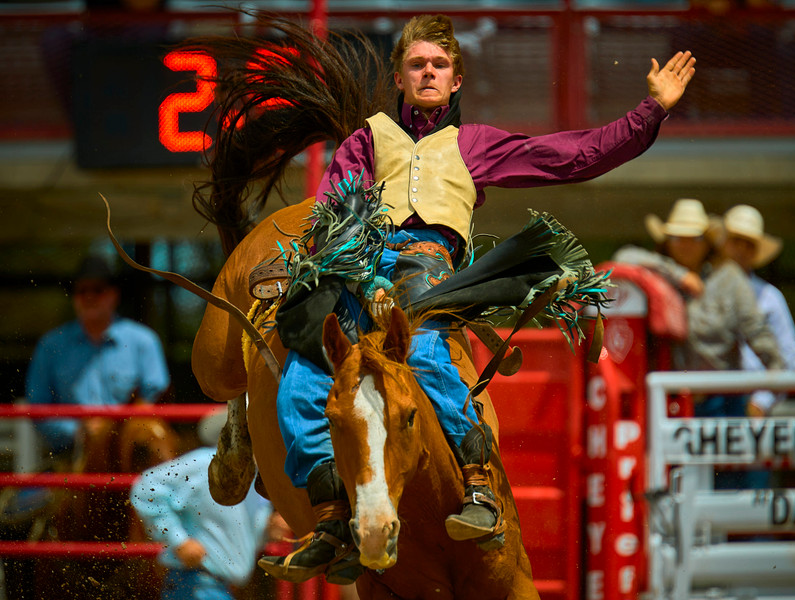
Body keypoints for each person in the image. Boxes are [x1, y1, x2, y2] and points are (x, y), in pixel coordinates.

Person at [186, 13, 696, 583]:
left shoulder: (474, 145)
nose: (428, 73)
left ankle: (476, 480)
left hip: (429, 263)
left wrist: (652, 111)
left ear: (455, 80)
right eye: (417, 65)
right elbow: (334, 206)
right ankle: (330, 512)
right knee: (305, 374)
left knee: (426, 351)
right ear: (400, 78)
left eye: (438, 65)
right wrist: (327, 268)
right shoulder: (367, 139)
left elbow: (574, 154)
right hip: (359, 261)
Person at [613, 198, 784, 488]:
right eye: (678, 237)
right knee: (679, 496)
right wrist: (679, 274)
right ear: (667, 242)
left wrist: (767, 394)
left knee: (735, 490)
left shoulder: (729, 279)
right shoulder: (657, 276)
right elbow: (624, 256)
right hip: (673, 405)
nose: (686, 245)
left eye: (694, 238)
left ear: (707, 243)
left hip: (723, 401)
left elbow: (762, 338)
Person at [25, 254, 170, 462]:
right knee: (27, 495)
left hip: (130, 456)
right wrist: (78, 429)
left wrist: (113, 430)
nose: (89, 297)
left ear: (114, 294)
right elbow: (37, 407)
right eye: (81, 291)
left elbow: (155, 400)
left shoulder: (144, 341)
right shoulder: (50, 346)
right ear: (74, 297)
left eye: (98, 290)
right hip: (71, 456)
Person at [130, 409, 273, 600]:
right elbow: (147, 487)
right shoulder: (206, 462)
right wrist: (179, 540)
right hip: (197, 585)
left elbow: (238, 535)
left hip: (207, 586)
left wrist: (268, 531)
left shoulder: (254, 478)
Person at [721, 204, 795, 416]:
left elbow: (791, 356)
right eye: (735, 241)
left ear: (755, 251)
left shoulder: (769, 297)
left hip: (754, 402)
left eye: (748, 244)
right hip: (710, 400)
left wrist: (762, 401)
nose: (741, 250)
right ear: (724, 244)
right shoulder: (705, 290)